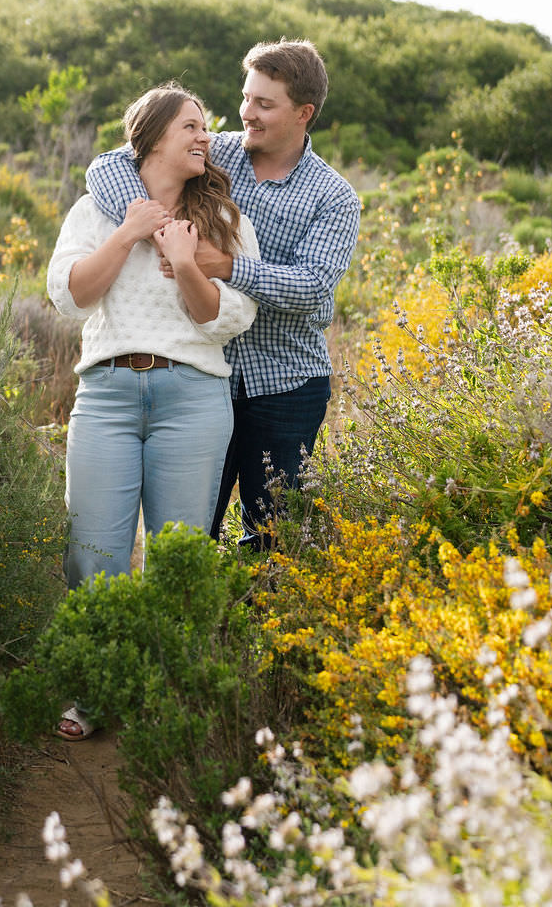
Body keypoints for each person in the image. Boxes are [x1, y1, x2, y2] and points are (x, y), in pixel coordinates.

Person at [47, 82, 259, 738]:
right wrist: (130, 234)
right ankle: (93, 689)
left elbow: (230, 318)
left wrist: (185, 261)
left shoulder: (226, 221)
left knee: (179, 555)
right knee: (93, 549)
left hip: (192, 397)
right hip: (106, 394)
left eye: (207, 127)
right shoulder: (95, 211)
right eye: (192, 126)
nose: (206, 137)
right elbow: (68, 297)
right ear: (152, 136)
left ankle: (170, 692)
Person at [87, 39, 360, 548]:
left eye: (264, 103)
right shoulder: (217, 152)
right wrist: (160, 232)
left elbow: (314, 285)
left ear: (304, 113)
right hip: (200, 378)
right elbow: (108, 165)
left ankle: (253, 622)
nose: (246, 113)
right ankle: (189, 623)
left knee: (271, 536)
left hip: (285, 385)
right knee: (187, 534)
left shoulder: (334, 196)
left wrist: (225, 267)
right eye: (246, 97)